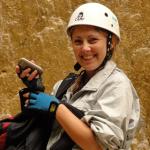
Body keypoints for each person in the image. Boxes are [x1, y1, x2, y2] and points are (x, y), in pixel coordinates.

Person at [16, 2, 140, 150]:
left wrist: (56, 108)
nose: (85, 48)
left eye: (93, 40)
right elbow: (50, 129)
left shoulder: (117, 85)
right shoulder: (66, 85)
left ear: (111, 42)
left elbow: (98, 146)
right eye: (78, 41)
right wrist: (35, 89)